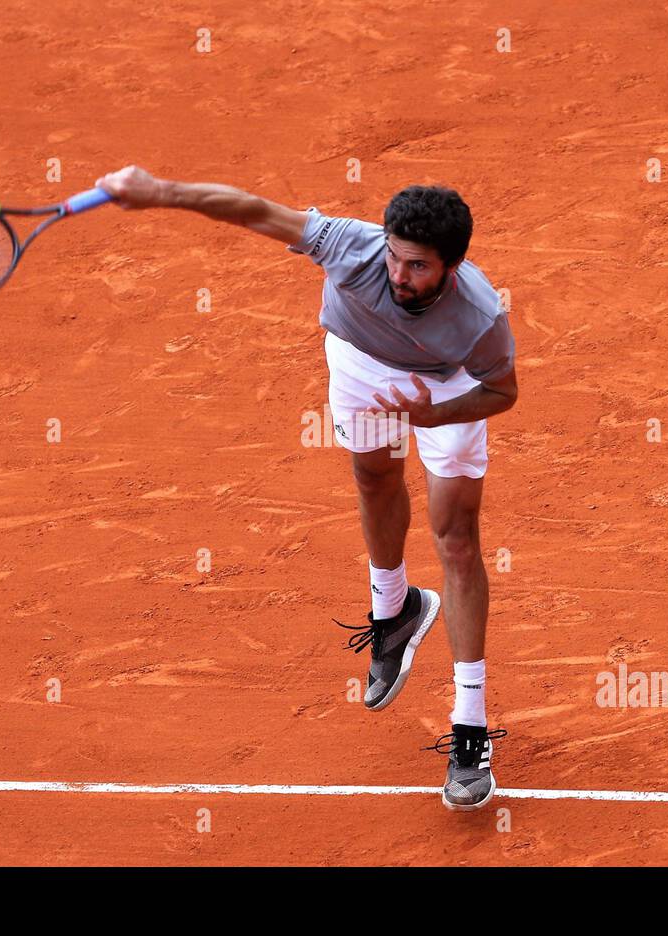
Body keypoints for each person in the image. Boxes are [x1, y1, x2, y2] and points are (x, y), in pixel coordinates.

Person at [96, 166, 518, 810]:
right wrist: (159, 193)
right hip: (358, 360)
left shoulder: (479, 317)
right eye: (396, 259)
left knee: (456, 538)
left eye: (419, 268)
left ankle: (469, 728)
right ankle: (396, 610)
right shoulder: (355, 248)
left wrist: (428, 413)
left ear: (452, 269)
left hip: (443, 389)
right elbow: (253, 210)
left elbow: (502, 392)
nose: (399, 277)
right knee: (373, 477)